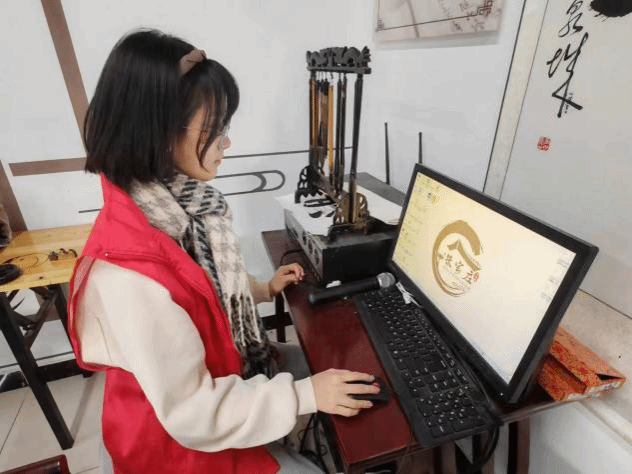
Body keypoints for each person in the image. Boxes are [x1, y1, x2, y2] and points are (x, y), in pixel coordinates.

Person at [66, 29, 380, 474]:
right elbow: (193, 415)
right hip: (179, 446)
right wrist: (305, 395)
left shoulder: (175, 208)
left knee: (330, 359)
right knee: (324, 383)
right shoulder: (130, 275)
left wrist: (261, 289)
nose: (226, 143)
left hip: (208, 386)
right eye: (214, 130)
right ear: (159, 134)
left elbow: (200, 289)